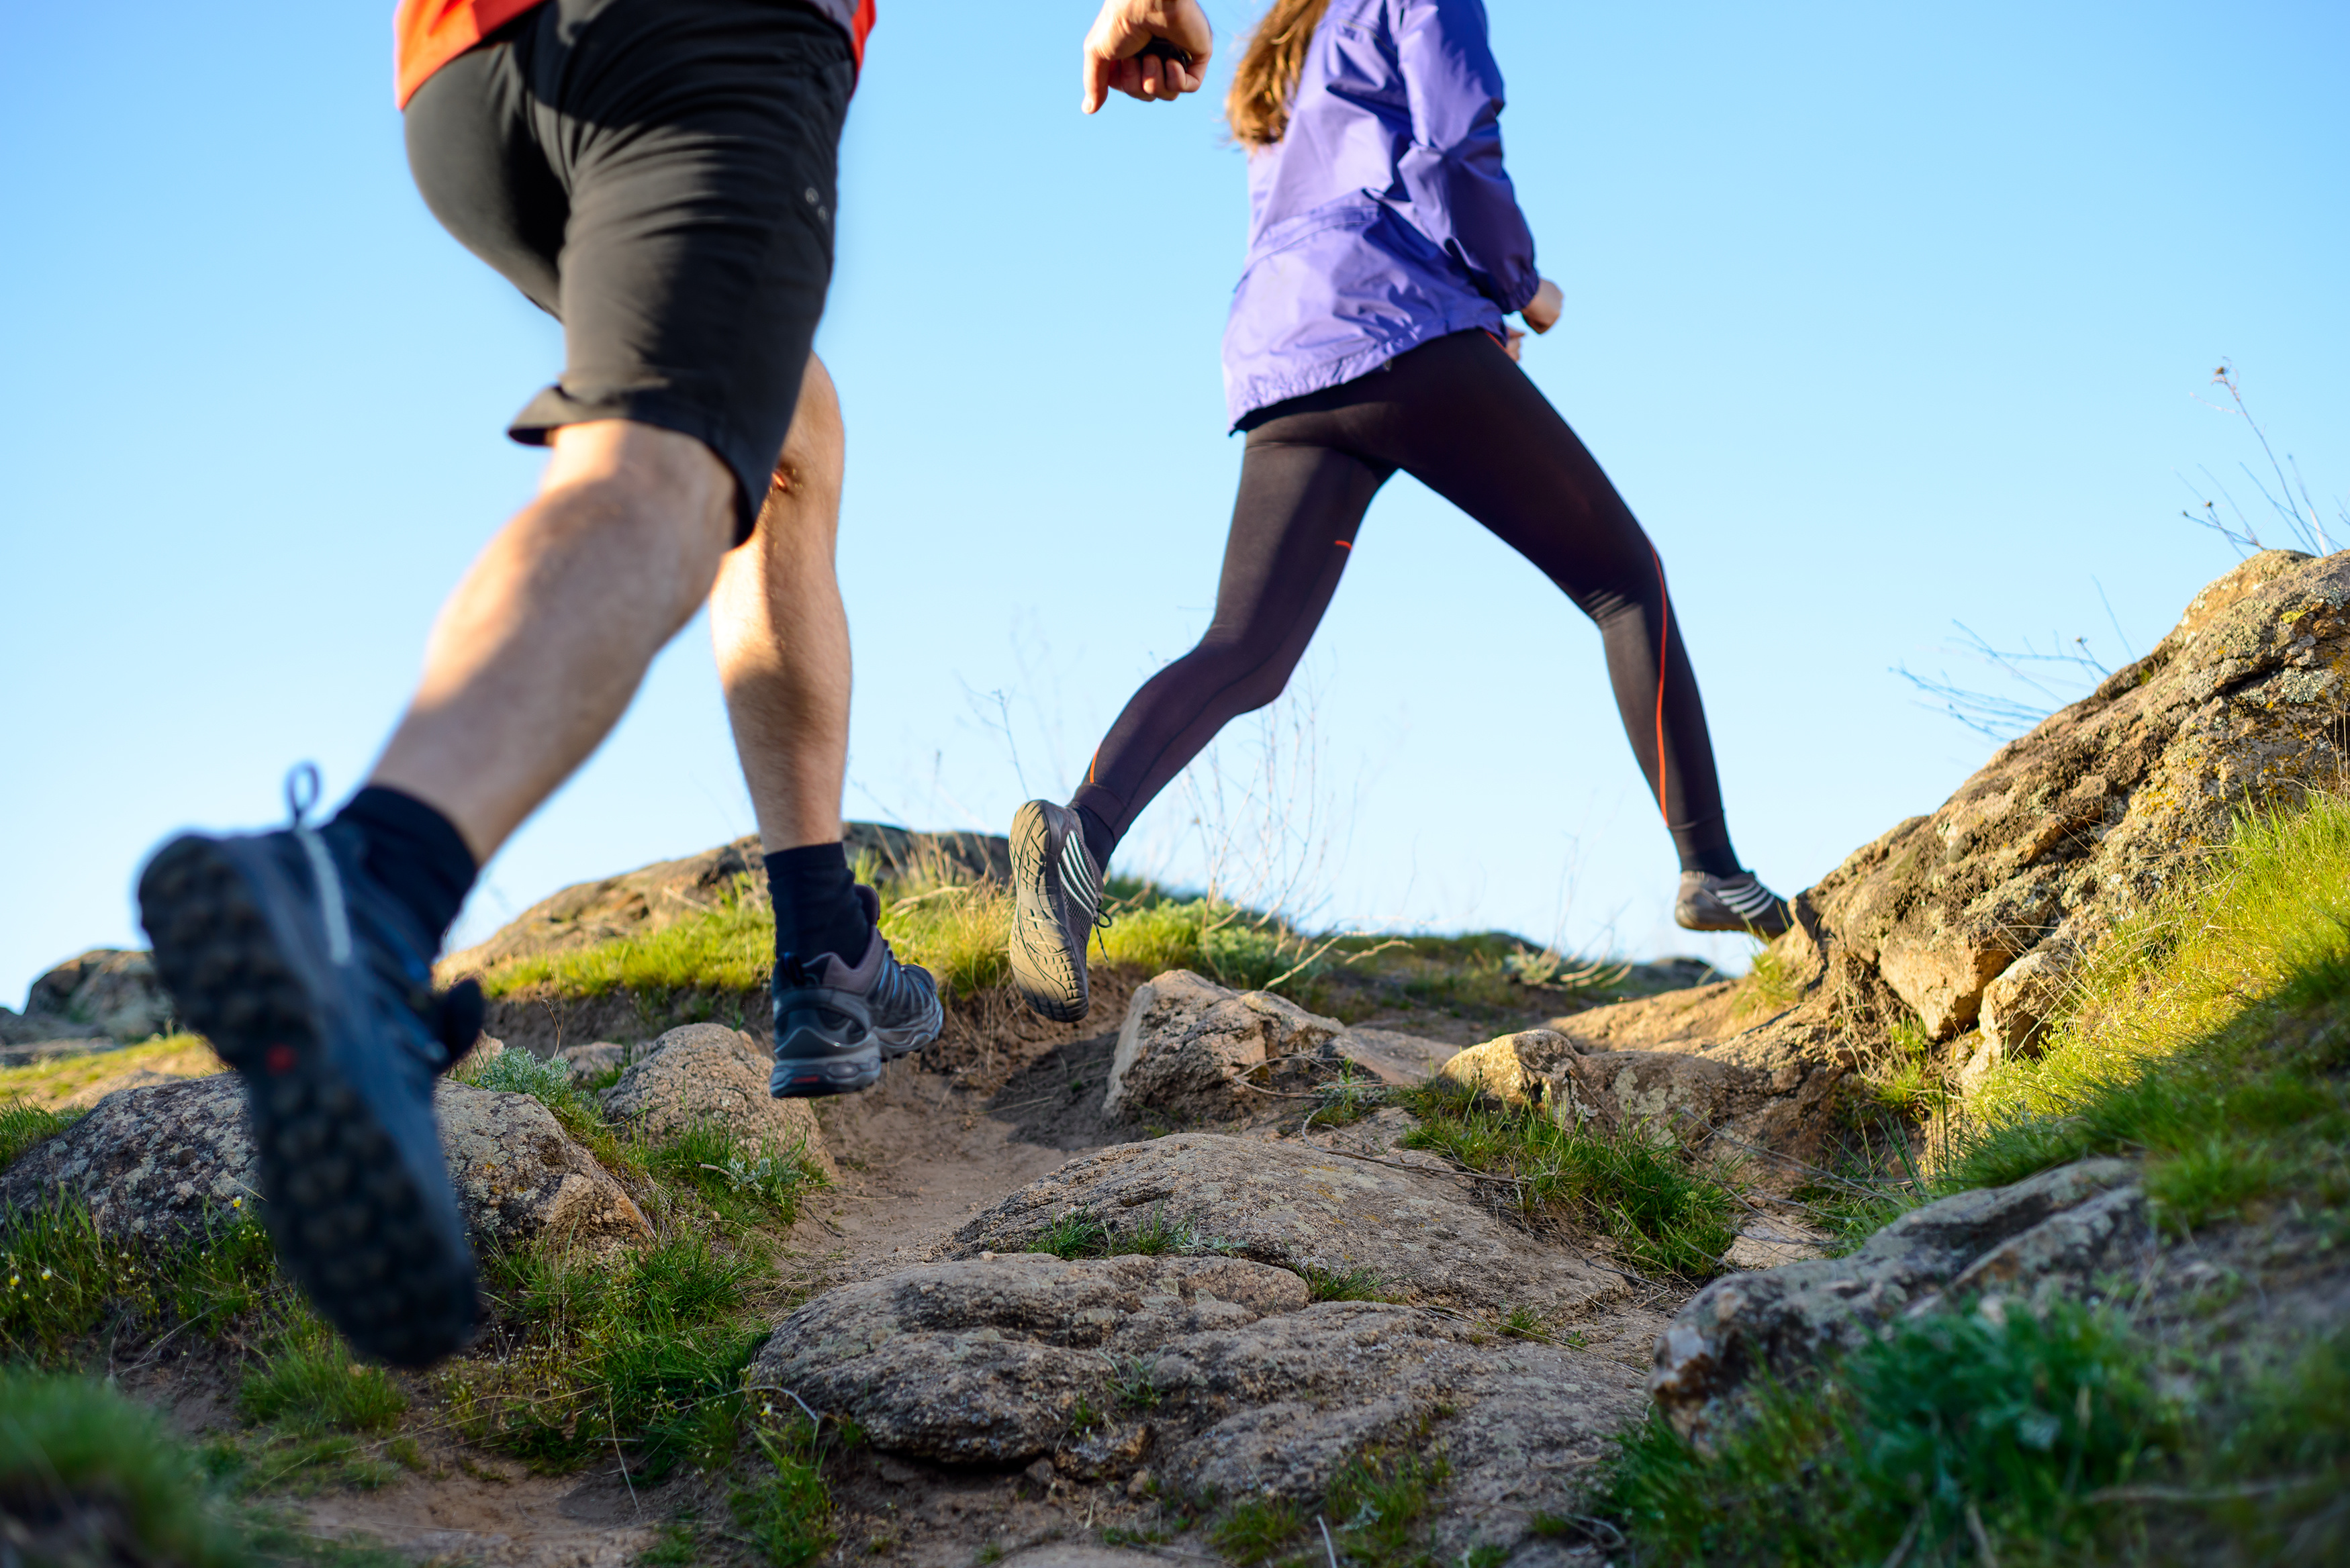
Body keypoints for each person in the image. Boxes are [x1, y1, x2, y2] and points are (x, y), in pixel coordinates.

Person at [134, 0, 1219, 1369]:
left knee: (781, 432)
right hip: (703, 33)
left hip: (463, 92)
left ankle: (822, 936)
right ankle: (364, 887)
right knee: (660, 468)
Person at [1009, 0, 1791, 1026]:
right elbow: (1456, 145)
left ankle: (1079, 838)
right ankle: (1710, 866)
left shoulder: (1288, 40)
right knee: (1622, 580)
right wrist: (1516, 289)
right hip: (1396, 326)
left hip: (1284, 355)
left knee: (1244, 650)